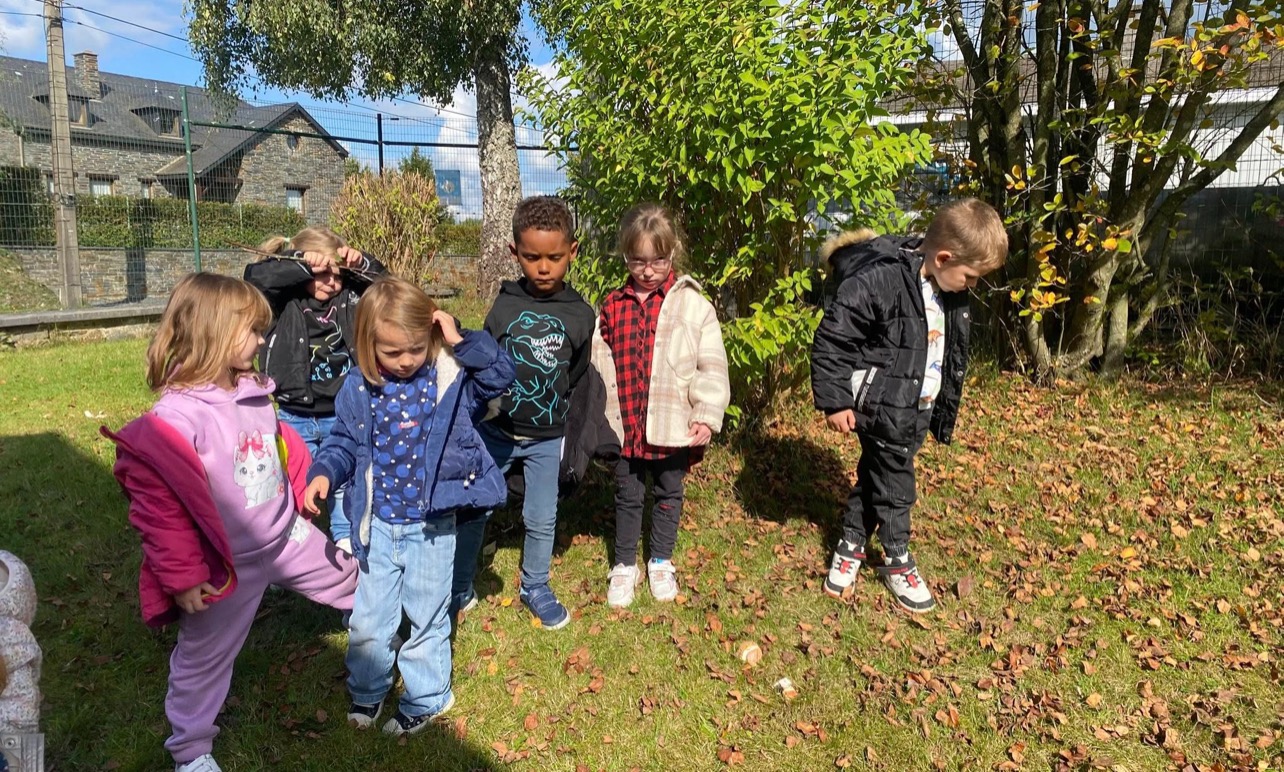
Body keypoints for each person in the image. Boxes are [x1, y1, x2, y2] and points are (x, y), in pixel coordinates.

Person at [103, 273, 358, 772]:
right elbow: (159, 507)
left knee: (347, 574)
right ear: (216, 333)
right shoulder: (177, 419)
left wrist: (304, 478)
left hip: (285, 537)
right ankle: (191, 749)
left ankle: (374, 621)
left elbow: (278, 444)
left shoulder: (253, 389)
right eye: (254, 331)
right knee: (204, 659)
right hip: (226, 567)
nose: (263, 340)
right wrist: (183, 577)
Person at [303, 277, 514, 736]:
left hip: (432, 528)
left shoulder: (450, 379)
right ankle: (368, 689)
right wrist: (323, 472)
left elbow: (501, 376)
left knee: (427, 614)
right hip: (377, 525)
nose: (404, 362)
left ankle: (426, 697)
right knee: (369, 616)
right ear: (367, 345)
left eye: (414, 349)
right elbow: (342, 441)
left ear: (431, 337)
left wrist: (461, 338)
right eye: (391, 352)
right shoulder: (360, 387)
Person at [811, 198, 1008, 613]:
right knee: (897, 486)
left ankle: (850, 544)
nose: (971, 286)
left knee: (875, 475)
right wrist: (835, 400)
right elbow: (834, 339)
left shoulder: (948, 287)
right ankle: (897, 556)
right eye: (970, 277)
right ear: (942, 257)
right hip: (880, 404)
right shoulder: (880, 281)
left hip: (916, 406)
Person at [452, 196, 596, 631]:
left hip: (547, 437)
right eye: (532, 257)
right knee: (475, 508)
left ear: (572, 251)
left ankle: (535, 585)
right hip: (495, 432)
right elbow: (485, 364)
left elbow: (575, 371)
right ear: (515, 253)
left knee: (541, 515)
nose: (544, 267)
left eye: (555, 257)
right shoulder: (505, 307)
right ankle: (459, 586)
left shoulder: (581, 315)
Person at [591, 203, 730, 608]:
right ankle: (623, 565)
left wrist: (706, 413)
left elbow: (712, 365)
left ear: (673, 254)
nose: (647, 270)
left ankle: (661, 560)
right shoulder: (613, 305)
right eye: (638, 261)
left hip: (673, 423)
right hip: (627, 423)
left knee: (669, 491)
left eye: (657, 261)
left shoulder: (694, 306)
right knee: (628, 494)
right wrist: (600, 417)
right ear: (625, 256)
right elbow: (599, 361)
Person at [244, 226, 387, 554]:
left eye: (337, 274)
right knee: (289, 488)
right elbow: (255, 277)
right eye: (321, 275)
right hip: (295, 415)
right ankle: (283, 554)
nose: (332, 282)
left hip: (343, 415)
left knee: (345, 485)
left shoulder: (349, 296)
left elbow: (390, 290)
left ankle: (347, 551)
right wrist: (300, 262)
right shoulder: (281, 300)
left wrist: (362, 264)